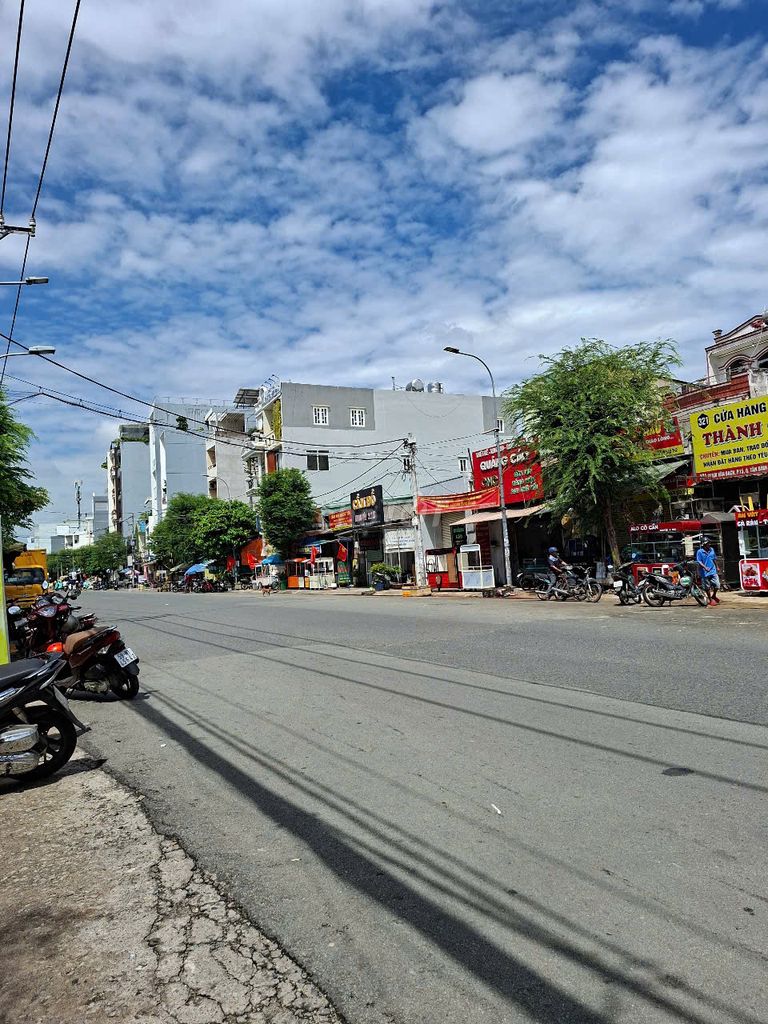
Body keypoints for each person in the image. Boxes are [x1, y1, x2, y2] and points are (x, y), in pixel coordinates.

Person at [696, 537, 720, 606]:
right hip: (704, 573)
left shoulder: (712, 549)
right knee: (707, 587)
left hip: (713, 570)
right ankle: (710, 599)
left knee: (717, 585)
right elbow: (699, 561)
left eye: (709, 543)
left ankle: (714, 595)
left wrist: (717, 566)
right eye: (707, 543)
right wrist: (705, 567)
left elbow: (714, 558)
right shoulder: (700, 552)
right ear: (704, 544)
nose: (709, 544)